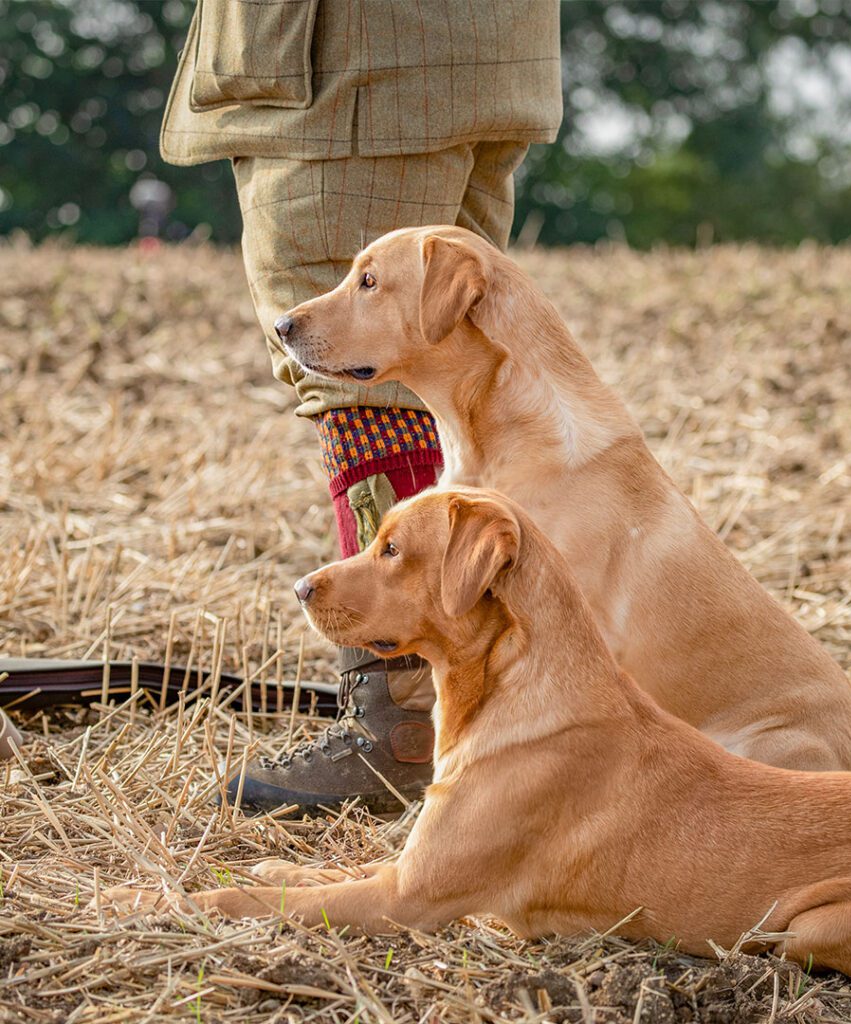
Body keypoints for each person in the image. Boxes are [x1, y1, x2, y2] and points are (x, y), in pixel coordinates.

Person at [160, 0, 562, 813]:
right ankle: (476, 701)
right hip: (474, 52)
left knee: (357, 375)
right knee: (443, 369)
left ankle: (403, 719)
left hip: (348, 65)